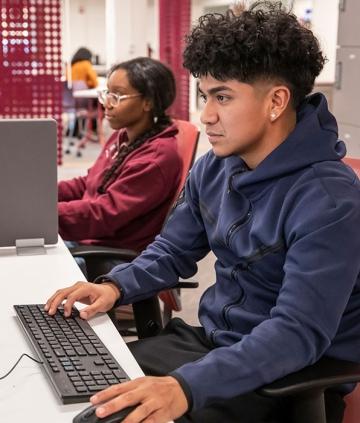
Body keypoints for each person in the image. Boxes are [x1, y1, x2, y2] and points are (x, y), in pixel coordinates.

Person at [46, 2, 360, 422]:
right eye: (204, 96)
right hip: (210, 346)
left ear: (276, 101)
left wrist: (185, 388)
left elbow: (297, 332)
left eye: (223, 97)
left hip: (284, 379)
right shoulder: (215, 167)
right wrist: (114, 287)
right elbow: (173, 250)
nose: (206, 115)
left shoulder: (330, 201)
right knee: (73, 393)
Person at [58, 57, 182, 254]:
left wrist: (42, 213)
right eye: (108, 93)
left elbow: (103, 215)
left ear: (148, 102)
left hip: (105, 252)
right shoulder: (123, 136)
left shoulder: (155, 158)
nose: (107, 104)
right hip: (89, 237)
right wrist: (43, 194)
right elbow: (89, 183)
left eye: (118, 96)